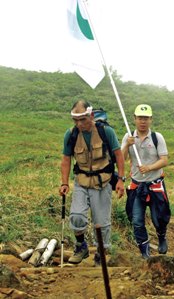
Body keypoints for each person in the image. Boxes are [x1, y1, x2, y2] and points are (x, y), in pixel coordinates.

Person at [59, 100, 125, 265]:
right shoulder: (71, 134)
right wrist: (64, 183)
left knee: (102, 223)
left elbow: (119, 155)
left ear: (92, 116)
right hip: (81, 181)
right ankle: (81, 246)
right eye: (76, 120)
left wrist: (121, 180)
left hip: (103, 182)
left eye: (83, 119)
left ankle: (101, 254)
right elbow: (66, 159)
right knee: (76, 216)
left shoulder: (106, 132)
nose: (79, 124)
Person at [122, 104, 171, 258]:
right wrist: (127, 145)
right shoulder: (128, 136)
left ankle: (161, 236)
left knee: (159, 218)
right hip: (137, 185)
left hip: (155, 184)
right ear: (134, 119)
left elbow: (164, 160)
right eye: (140, 118)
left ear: (151, 120)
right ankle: (145, 253)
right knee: (136, 220)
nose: (143, 121)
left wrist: (149, 168)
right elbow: (121, 159)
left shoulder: (157, 137)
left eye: (146, 118)